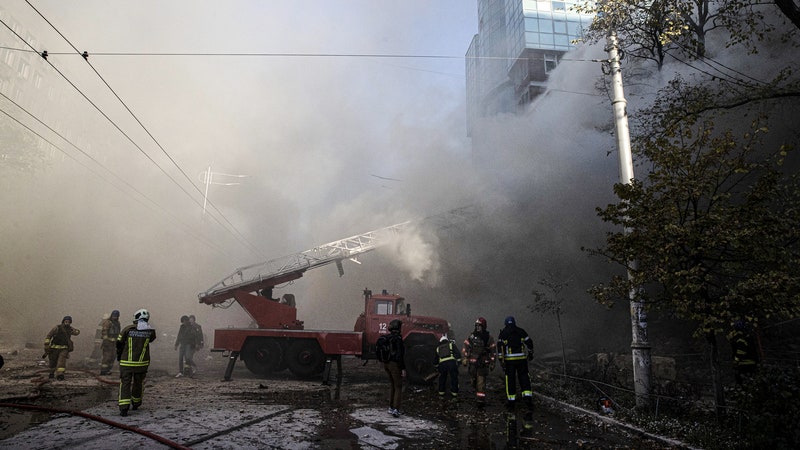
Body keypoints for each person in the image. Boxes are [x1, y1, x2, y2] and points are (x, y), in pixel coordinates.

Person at [117, 309, 157, 416]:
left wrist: (119, 356)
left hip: (126, 363)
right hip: (142, 363)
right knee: (138, 383)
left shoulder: (127, 329)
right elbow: (152, 339)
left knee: (125, 383)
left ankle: (124, 408)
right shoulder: (150, 331)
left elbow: (119, 343)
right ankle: (136, 403)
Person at [497, 315, 535, 409]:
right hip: (521, 360)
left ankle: (511, 401)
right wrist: (530, 353)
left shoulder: (503, 333)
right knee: (524, 377)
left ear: (505, 323)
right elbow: (529, 342)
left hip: (509, 362)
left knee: (510, 380)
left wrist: (501, 361)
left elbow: (499, 348)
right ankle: (527, 397)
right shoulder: (521, 331)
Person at [462, 317, 496, 405]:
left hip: (482, 364)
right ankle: (477, 392)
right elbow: (466, 346)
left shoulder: (488, 338)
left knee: (481, 383)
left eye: (479, 326)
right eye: (476, 326)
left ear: (483, 326)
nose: (477, 327)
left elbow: (493, 351)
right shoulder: (472, 336)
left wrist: (492, 363)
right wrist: (465, 358)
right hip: (472, 364)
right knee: (474, 381)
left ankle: (480, 400)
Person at [43, 316, 80, 380]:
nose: (67, 322)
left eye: (68, 321)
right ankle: (51, 372)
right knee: (53, 362)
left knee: (61, 362)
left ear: (70, 322)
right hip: (54, 349)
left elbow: (77, 332)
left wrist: (74, 329)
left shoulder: (70, 329)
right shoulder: (57, 328)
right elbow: (49, 336)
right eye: (66, 321)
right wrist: (46, 345)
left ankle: (60, 374)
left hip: (64, 349)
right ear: (63, 321)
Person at [383, 319, 405, 417]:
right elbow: (400, 355)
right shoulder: (398, 339)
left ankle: (391, 407)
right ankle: (396, 409)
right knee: (398, 386)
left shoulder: (387, 337)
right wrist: (403, 368)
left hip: (386, 364)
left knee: (392, 385)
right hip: (394, 364)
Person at [731, 319, 760, 384]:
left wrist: (736, 361)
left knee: (742, 384)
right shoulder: (749, 337)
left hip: (744, 365)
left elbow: (741, 351)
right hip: (752, 364)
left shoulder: (740, 338)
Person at [434, 334, 461, 400]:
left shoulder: (438, 348)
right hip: (451, 364)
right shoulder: (451, 345)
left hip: (442, 365)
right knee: (454, 378)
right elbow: (458, 354)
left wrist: (437, 367)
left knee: (442, 379)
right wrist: (459, 362)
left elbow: (435, 360)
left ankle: (441, 393)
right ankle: (454, 394)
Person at [100, 310, 121, 375]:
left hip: (114, 343)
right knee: (107, 356)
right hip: (108, 342)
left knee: (113, 356)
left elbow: (118, 333)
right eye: (114, 316)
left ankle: (108, 369)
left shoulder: (117, 323)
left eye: (116, 316)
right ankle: (103, 370)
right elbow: (104, 332)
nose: (115, 317)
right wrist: (106, 341)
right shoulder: (107, 322)